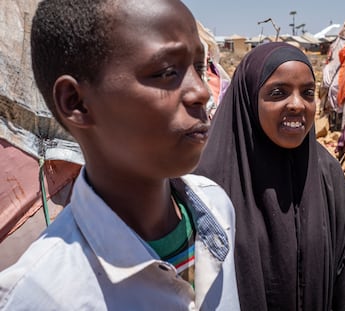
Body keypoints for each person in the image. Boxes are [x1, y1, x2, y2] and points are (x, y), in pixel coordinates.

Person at [0, 0, 240, 310]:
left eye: (197, 66)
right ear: (76, 103)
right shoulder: (39, 294)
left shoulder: (217, 210)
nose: (202, 91)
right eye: (168, 72)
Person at [195, 42, 345, 310]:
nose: (297, 105)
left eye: (308, 93)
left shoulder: (326, 174)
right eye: (278, 93)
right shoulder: (207, 183)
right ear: (249, 98)